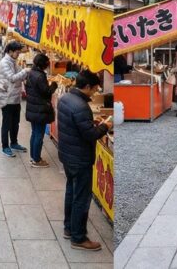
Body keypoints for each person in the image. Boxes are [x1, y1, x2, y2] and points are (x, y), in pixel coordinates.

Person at [56, 70, 111, 251]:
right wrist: (105, 126)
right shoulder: (81, 106)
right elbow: (89, 135)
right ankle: (79, 238)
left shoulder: (65, 99)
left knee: (71, 192)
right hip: (79, 158)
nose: (95, 92)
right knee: (81, 197)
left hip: (67, 155)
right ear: (87, 87)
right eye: (95, 89)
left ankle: (69, 228)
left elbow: (76, 128)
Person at [0, 41, 30, 158]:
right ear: (10, 51)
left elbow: (19, 74)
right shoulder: (5, 63)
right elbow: (12, 78)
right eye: (17, 52)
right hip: (7, 98)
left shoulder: (13, 61)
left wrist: (25, 73)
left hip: (15, 97)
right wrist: (25, 71)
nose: (18, 54)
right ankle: (5, 146)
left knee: (15, 123)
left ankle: (14, 142)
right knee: (7, 124)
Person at [24, 53, 58, 167]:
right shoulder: (40, 76)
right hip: (39, 109)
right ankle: (37, 160)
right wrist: (53, 85)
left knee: (34, 133)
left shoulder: (31, 73)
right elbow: (46, 92)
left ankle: (33, 157)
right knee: (39, 134)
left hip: (33, 108)